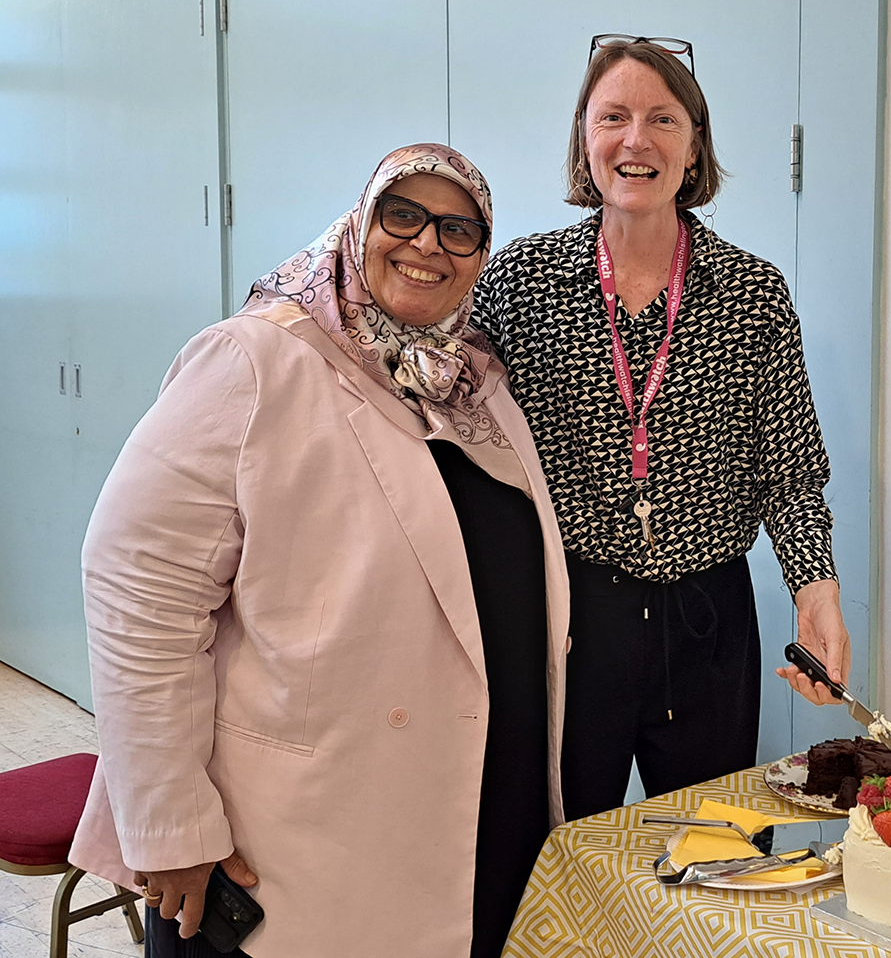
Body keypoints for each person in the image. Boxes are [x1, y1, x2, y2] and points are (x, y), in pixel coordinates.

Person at [68, 144, 568, 958]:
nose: (427, 244)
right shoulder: (256, 358)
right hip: (292, 847)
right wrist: (172, 824)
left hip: (467, 822)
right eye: (402, 214)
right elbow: (138, 587)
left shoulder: (474, 381)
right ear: (359, 223)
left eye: (459, 228)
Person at [474, 35, 850, 822]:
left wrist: (816, 592)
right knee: (555, 845)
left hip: (708, 620)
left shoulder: (751, 293)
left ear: (695, 143)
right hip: (570, 616)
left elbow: (790, 473)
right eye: (613, 116)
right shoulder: (520, 280)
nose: (635, 140)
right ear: (586, 136)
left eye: (662, 119)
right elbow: (456, 436)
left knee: (718, 845)